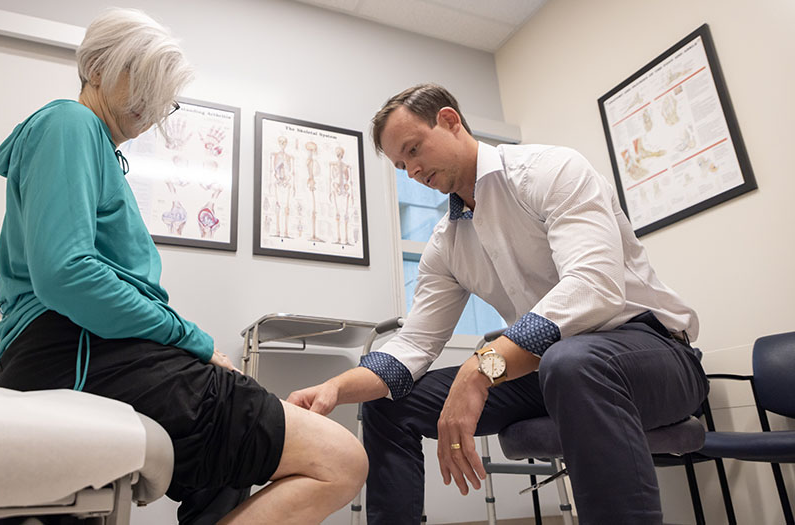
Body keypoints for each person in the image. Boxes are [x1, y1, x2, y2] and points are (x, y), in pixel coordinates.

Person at [0, 8, 366, 525]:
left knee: (225, 471)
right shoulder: (68, 122)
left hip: (91, 349)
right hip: (73, 351)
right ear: (96, 68)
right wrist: (194, 340)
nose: (151, 103)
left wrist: (186, 343)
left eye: (161, 90)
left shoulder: (98, 148)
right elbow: (67, 274)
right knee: (341, 460)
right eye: (139, 79)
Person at [288, 84, 709, 525]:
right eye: (401, 164)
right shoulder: (446, 244)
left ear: (450, 121)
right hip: (552, 370)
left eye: (414, 150)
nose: (412, 170)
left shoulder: (551, 170)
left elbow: (593, 286)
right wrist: (337, 388)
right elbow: (413, 345)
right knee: (390, 404)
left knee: (570, 361)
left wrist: (479, 369)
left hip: (653, 353)